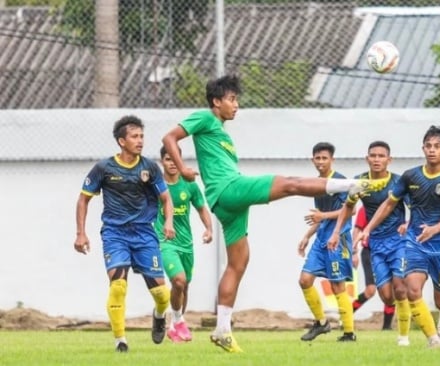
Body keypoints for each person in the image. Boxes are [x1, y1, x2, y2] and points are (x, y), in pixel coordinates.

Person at [161, 75, 383, 353]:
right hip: (230, 190)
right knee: (291, 184)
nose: (236, 105)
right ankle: (352, 184)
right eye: (231, 99)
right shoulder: (204, 118)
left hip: (228, 201)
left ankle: (222, 330)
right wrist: (182, 168)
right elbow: (169, 137)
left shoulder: (222, 133)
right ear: (216, 102)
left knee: (238, 263)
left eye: (236, 99)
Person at [74, 115, 176, 352]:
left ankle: (159, 315)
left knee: (162, 295)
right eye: (134, 136)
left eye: (141, 136)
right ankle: (120, 340)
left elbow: (165, 198)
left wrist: (168, 222)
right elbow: (83, 200)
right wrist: (81, 233)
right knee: (118, 286)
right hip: (115, 233)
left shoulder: (149, 168)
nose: (140, 140)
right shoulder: (104, 168)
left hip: (144, 234)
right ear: (121, 141)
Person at [358, 126, 440, 349]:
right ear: (423, 148)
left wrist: (433, 230)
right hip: (415, 242)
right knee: (412, 288)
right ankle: (433, 339)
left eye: (438, 146)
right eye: (429, 146)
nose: (432, 150)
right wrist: (367, 228)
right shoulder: (410, 176)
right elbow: (388, 204)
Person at [328, 140, 411, 346]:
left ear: (389, 160)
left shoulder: (399, 182)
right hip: (375, 244)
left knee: (400, 288)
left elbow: (414, 208)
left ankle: (403, 337)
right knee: (386, 296)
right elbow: (348, 208)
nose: (376, 159)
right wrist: (337, 232)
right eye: (373, 156)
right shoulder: (359, 182)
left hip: (399, 242)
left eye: (381, 156)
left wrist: (409, 223)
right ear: (367, 158)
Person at [297, 142, 356, 342]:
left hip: (338, 238)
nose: (321, 162)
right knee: (304, 280)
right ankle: (321, 323)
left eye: (325, 158)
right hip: (322, 237)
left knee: (337, 285)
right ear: (312, 160)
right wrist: (307, 235)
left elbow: (350, 210)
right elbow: (320, 217)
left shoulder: (340, 181)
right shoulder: (316, 184)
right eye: (318, 158)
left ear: (332, 160)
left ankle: (349, 333)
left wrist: (326, 222)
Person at [154, 146, 213, 343]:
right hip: (165, 242)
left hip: (186, 244)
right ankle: (178, 320)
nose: (172, 163)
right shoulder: (156, 185)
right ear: (162, 161)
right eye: (168, 159)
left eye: (176, 159)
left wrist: (209, 229)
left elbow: (201, 208)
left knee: (184, 285)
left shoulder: (189, 185)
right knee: (178, 280)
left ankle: (173, 327)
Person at [350, 206, 397, 331]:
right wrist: (354, 252)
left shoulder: (393, 205)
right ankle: (347, 315)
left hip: (390, 251)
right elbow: (357, 230)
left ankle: (387, 327)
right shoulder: (365, 208)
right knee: (370, 290)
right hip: (370, 252)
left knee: (392, 289)